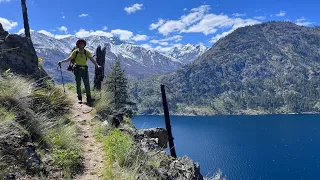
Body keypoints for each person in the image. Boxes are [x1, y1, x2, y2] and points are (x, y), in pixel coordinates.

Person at [58, 39, 101, 104]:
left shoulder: (87, 52)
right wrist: (62, 61)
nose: (81, 45)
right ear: (78, 45)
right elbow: (69, 59)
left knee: (87, 84)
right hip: (77, 69)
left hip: (84, 70)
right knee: (78, 84)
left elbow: (92, 60)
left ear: (84, 45)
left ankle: (89, 99)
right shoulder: (75, 52)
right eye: (80, 44)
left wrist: (97, 65)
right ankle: (79, 98)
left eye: (82, 44)